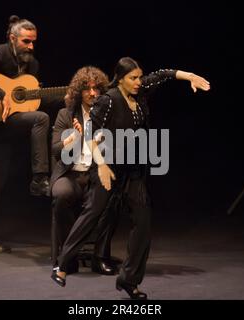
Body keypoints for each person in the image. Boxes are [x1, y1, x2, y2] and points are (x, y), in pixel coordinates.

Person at [51, 57, 210, 300]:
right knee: (93, 213)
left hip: (133, 170)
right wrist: (101, 164)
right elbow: (92, 133)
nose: (138, 82)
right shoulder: (108, 100)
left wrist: (188, 75)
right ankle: (62, 265)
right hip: (108, 166)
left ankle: (128, 280)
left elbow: (162, 74)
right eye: (133, 78)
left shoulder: (140, 91)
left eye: (139, 77)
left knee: (144, 223)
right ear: (121, 79)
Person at [0, 16, 51, 254]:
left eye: (34, 42)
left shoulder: (31, 65)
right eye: (26, 41)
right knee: (41, 118)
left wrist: (69, 96)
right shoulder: (0, 52)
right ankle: (39, 178)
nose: (31, 46)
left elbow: (31, 99)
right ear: (12, 39)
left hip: (8, 124)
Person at [50, 66, 119, 275]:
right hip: (70, 174)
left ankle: (99, 258)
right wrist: (71, 141)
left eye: (97, 89)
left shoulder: (107, 116)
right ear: (79, 92)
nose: (92, 93)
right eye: (87, 89)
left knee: (112, 198)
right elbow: (55, 150)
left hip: (94, 174)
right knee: (61, 195)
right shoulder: (66, 114)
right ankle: (69, 257)